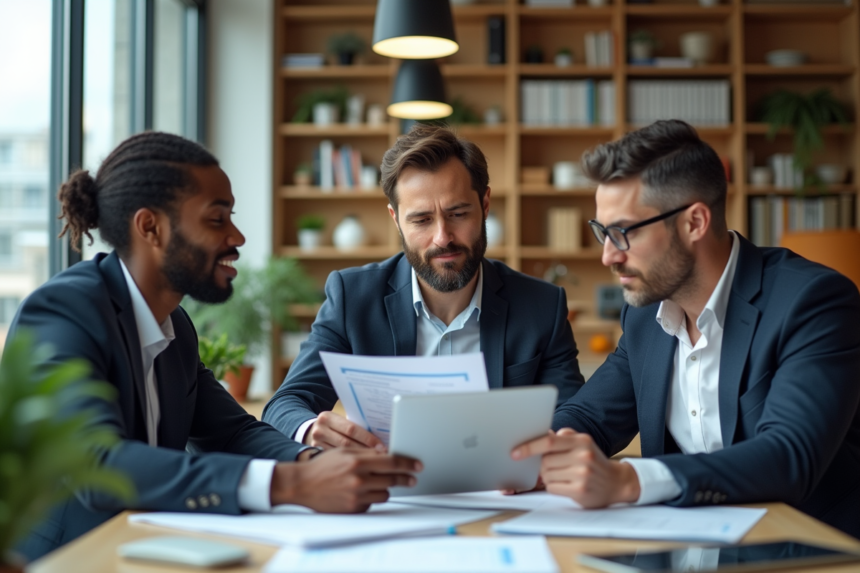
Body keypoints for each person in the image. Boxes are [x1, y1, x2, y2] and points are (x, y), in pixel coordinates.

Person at [7, 132, 420, 561]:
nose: (237, 237)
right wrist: (291, 484)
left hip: (149, 551)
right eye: (216, 219)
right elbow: (95, 464)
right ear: (150, 227)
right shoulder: (64, 311)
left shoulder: (175, 327)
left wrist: (311, 462)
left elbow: (231, 432)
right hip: (68, 559)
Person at [512, 120, 860, 538]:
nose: (608, 256)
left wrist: (630, 479)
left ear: (694, 222)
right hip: (687, 547)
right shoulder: (645, 315)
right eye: (602, 232)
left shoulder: (813, 302)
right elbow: (591, 415)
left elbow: (790, 456)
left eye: (622, 232)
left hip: (808, 548)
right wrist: (535, 454)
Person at [263, 124, 585, 449]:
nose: (442, 238)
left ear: (485, 205)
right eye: (421, 220)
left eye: (458, 213)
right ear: (396, 219)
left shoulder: (543, 305)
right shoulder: (352, 298)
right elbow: (285, 404)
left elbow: (574, 415)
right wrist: (310, 430)